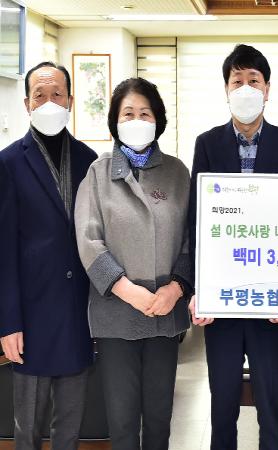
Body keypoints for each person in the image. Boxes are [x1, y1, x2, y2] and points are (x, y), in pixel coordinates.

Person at [187, 44, 278, 450]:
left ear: (267, 89)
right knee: (222, 405)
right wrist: (200, 289)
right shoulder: (207, 144)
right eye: (238, 81)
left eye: (254, 80)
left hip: (270, 302)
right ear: (226, 89)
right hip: (222, 301)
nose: (246, 88)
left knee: (272, 406)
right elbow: (198, 222)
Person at [75, 77, 192, 450]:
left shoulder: (177, 173)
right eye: (128, 113)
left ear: (158, 119)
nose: (137, 120)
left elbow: (191, 241)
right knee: (123, 424)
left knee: (159, 421)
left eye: (145, 113)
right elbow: (88, 241)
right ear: (115, 120)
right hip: (116, 316)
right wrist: (126, 289)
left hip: (164, 314)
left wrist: (176, 288)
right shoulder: (98, 174)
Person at [0, 61, 96, 449]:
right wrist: (8, 323)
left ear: (70, 100)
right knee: (27, 430)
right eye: (39, 95)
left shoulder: (89, 160)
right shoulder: (8, 162)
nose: (49, 102)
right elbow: (4, 249)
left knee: (69, 429)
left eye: (57, 94)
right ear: (27, 103)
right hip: (31, 317)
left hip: (77, 312)